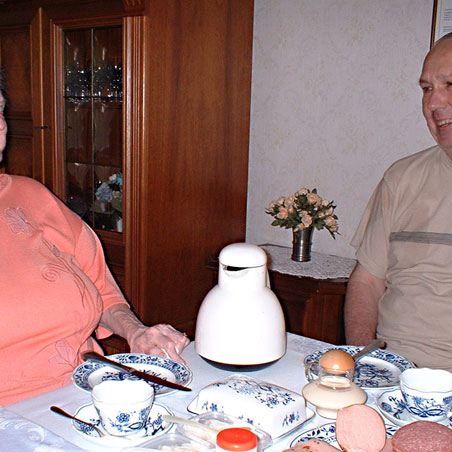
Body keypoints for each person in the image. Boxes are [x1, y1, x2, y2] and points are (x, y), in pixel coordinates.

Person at [0, 76, 190, 405]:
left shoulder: (31, 196)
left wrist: (136, 332)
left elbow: (99, 286)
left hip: (93, 392)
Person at [344, 33, 452, 371]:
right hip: (391, 372)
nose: (435, 104)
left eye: (450, 84)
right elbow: (366, 282)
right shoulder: (401, 178)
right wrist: (362, 362)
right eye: (427, 89)